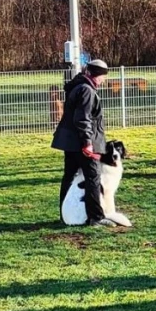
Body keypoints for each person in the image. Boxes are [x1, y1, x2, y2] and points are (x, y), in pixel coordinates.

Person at [51, 59, 110, 225]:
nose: (104, 80)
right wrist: (87, 142)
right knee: (93, 177)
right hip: (81, 143)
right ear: (97, 75)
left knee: (69, 177)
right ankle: (95, 217)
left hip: (69, 142)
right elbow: (82, 119)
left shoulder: (77, 86)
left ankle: (65, 215)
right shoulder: (87, 90)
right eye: (103, 77)